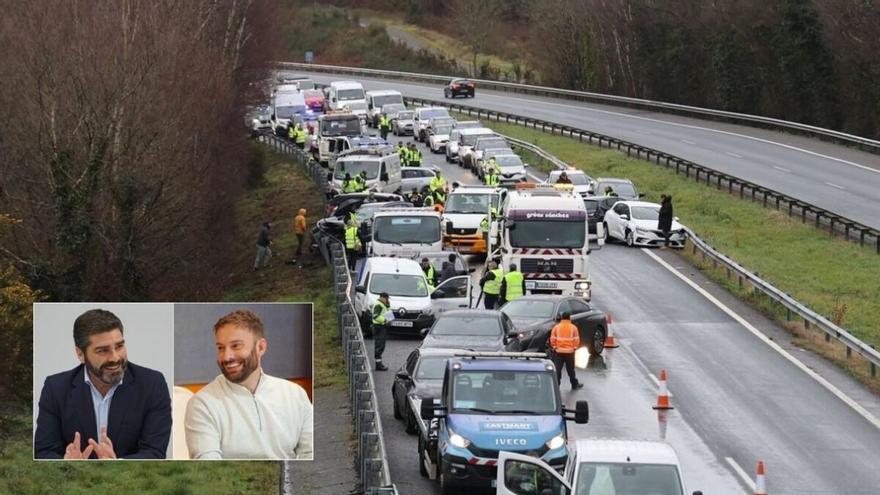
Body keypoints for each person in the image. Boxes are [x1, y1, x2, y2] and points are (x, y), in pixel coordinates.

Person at [34, 309, 171, 459]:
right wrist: (66, 465)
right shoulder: (55, 388)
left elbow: (155, 452)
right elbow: (44, 452)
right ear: (80, 354)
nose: (115, 357)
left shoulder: (152, 384)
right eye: (103, 350)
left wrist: (118, 464)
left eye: (119, 346)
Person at [184, 310, 313, 460]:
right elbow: (207, 465)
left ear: (260, 348)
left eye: (236, 346)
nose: (226, 357)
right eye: (220, 348)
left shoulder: (295, 394)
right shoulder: (202, 403)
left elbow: (310, 453)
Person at [550, 312, 583, 390]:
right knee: (570, 369)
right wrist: (574, 348)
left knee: (558, 369)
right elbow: (576, 340)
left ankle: (556, 386)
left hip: (558, 352)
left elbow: (552, 339)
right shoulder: (573, 328)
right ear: (569, 318)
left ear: (562, 318)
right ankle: (574, 384)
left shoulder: (556, 327)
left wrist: (554, 347)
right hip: (570, 352)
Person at [371, 293, 391, 371]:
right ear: (382, 298)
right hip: (378, 327)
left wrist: (388, 306)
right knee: (379, 345)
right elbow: (375, 316)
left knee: (382, 345)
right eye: (386, 298)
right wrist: (385, 320)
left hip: (382, 326)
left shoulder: (383, 305)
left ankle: (379, 363)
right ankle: (378, 365)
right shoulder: (378, 305)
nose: (387, 300)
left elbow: (387, 314)